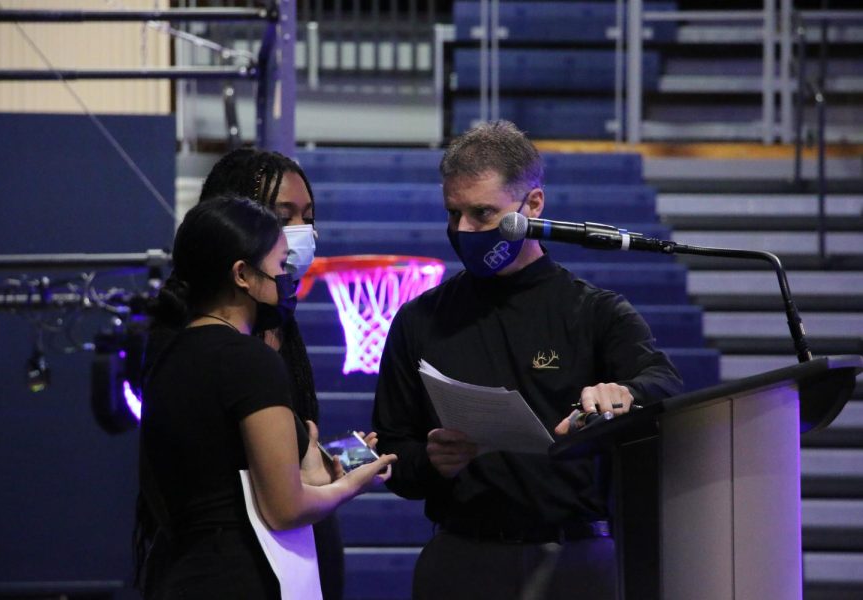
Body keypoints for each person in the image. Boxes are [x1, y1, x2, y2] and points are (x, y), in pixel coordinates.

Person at [371, 121, 683, 600]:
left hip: (574, 560)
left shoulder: (593, 311)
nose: (463, 231)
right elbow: (392, 447)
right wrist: (431, 461)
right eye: (453, 214)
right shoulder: (420, 319)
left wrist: (625, 392)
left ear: (532, 206)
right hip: (461, 558)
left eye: (483, 213)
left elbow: (665, 382)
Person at [134, 195, 396, 599]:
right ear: (242, 274)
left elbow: (225, 477)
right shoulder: (248, 359)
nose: (288, 278)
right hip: (238, 575)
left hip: (177, 572)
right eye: (280, 266)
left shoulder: (167, 354)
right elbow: (283, 508)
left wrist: (317, 468)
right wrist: (352, 485)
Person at [198, 148, 351, 600]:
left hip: (296, 555)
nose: (300, 233)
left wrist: (319, 461)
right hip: (236, 565)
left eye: (308, 216)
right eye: (283, 218)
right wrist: (346, 483)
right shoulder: (216, 347)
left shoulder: (281, 325)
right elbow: (279, 498)